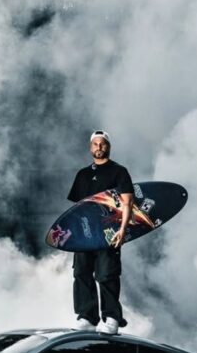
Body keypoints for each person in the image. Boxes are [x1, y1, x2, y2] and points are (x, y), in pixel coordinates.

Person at [67, 130, 134, 335]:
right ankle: (87, 316)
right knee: (81, 273)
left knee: (107, 274)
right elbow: (77, 209)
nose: (99, 147)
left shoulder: (119, 172)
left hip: (108, 233)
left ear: (108, 147)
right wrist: (74, 235)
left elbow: (127, 202)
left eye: (102, 144)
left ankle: (112, 317)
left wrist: (123, 230)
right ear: (90, 148)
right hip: (85, 234)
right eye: (95, 144)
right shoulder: (83, 174)